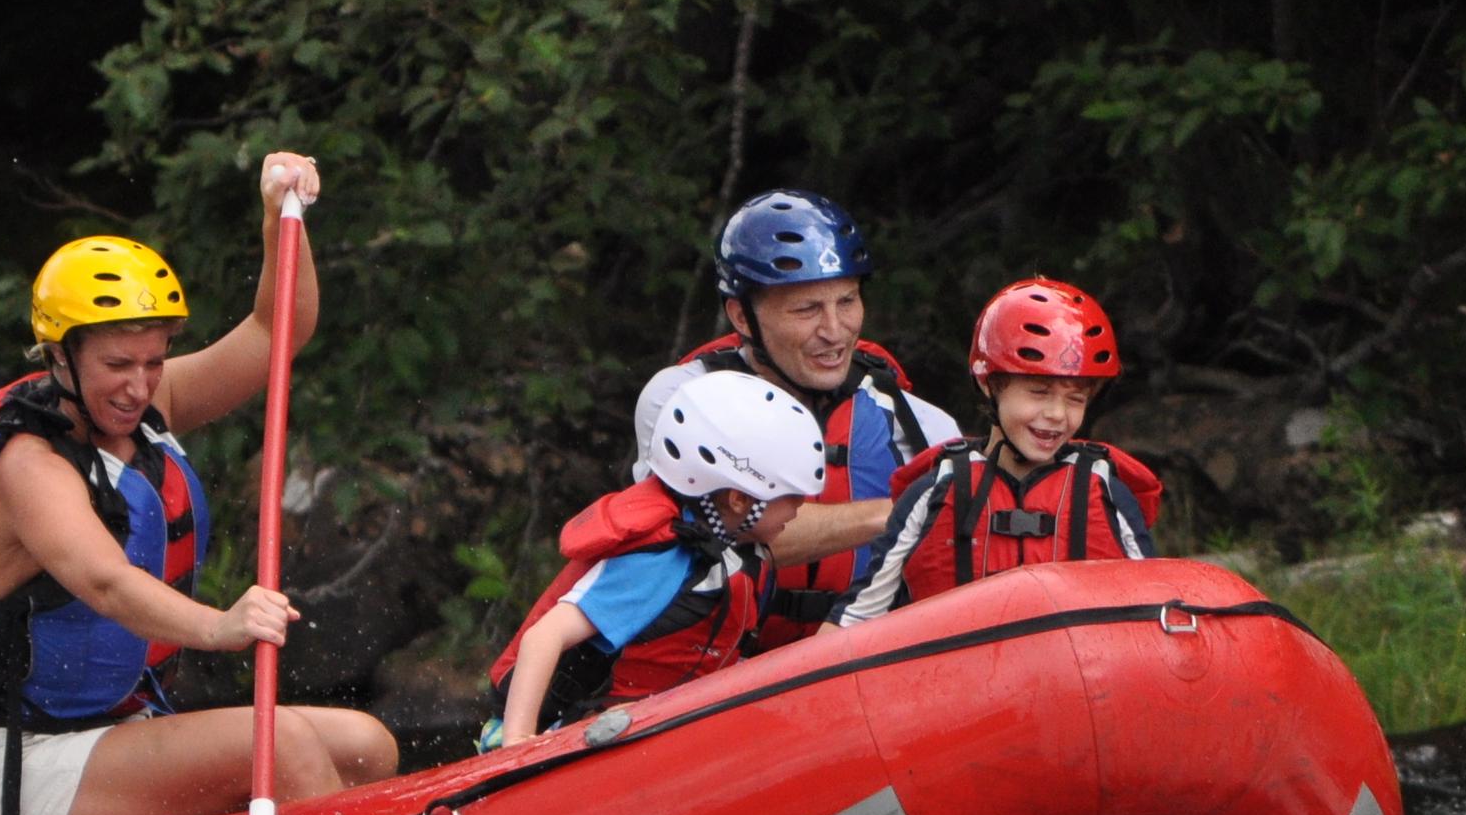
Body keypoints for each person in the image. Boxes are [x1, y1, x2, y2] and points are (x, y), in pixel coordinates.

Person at [0, 151, 397, 815]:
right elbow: (106, 583)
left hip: (119, 733)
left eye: (154, 360)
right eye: (118, 365)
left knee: (368, 744)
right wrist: (222, 625)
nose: (140, 386)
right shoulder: (28, 465)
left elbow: (276, 334)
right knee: (283, 742)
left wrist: (277, 219)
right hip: (20, 769)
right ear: (59, 358)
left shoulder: (149, 407)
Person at [641, 189, 961, 645]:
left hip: (862, 665)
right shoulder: (681, 402)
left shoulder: (920, 424)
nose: (835, 331)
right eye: (807, 309)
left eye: (847, 302)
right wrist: (904, 512)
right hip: (720, 668)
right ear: (742, 316)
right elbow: (713, 536)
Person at [487, 371, 824, 744]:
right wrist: (518, 744)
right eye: (792, 497)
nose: (800, 508)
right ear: (739, 500)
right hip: (549, 735)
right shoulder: (661, 562)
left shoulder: (721, 542)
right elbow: (543, 637)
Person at [841, 278, 1162, 626]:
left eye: (1076, 398)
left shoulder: (1104, 489)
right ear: (989, 383)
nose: (1057, 414)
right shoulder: (939, 487)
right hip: (957, 678)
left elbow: (1155, 613)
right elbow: (854, 617)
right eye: (1039, 392)